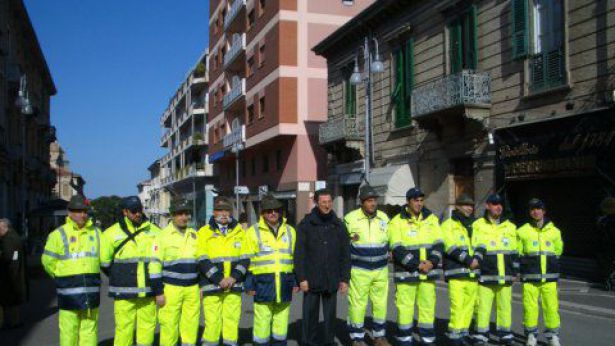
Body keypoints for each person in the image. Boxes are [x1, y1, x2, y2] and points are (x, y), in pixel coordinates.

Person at [100, 196, 161, 346]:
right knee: (124, 329)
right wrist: (120, 276)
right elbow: (104, 262)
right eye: (134, 211)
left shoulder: (155, 231)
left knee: (147, 328)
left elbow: (161, 258)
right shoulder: (110, 233)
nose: (138, 214)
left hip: (148, 290)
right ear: (125, 212)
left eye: (139, 210)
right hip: (123, 291)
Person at [41, 195, 102, 346]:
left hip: (90, 293)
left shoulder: (96, 233)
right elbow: (47, 261)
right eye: (78, 211)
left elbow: (105, 258)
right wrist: (60, 278)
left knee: (89, 332)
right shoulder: (58, 235)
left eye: (84, 211)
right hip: (69, 294)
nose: (82, 214)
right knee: (69, 333)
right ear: (69, 213)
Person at [294, 189, 351, 346]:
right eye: (323, 202)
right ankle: (308, 342)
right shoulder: (306, 224)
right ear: (316, 203)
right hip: (311, 279)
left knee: (330, 318)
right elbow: (299, 254)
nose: (327, 205)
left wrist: (345, 279)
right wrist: (301, 278)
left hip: (331, 278)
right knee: (310, 316)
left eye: (329, 202)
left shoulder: (338, 224)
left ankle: (328, 342)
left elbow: (345, 254)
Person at [388, 187, 443, 345]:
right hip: (406, 274)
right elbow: (397, 249)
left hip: (428, 273)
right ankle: (405, 341)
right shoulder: (397, 221)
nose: (419, 203)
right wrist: (418, 265)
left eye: (421, 200)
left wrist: (432, 262)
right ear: (408, 202)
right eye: (415, 200)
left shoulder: (431, 219)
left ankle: (428, 341)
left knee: (427, 309)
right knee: (405, 310)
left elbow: (439, 244)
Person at [245, 195, 298, 345]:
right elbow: (247, 259)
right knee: (262, 320)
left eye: (276, 210)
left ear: (280, 212)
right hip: (262, 283)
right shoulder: (253, 232)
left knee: (281, 320)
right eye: (269, 211)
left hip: (285, 282)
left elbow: (294, 258)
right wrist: (248, 283)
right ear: (262, 213)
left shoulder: (290, 231)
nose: (272, 213)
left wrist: (296, 280)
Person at [197, 197, 250, 346]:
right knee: (212, 322)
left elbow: (245, 258)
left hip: (234, 285)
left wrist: (233, 277)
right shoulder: (204, 232)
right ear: (214, 212)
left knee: (231, 321)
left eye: (227, 210)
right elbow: (202, 259)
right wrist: (219, 279)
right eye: (220, 210)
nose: (224, 214)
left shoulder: (240, 232)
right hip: (212, 285)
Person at [344, 185, 391, 346]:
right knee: (358, 305)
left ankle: (379, 337)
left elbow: (390, 242)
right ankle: (357, 338)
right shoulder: (350, 219)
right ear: (362, 202)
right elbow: (343, 247)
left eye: (374, 200)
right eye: (369, 201)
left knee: (380, 304)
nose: (373, 204)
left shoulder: (384, 218)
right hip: (359, 271)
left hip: (381, 270)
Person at [151, 199, 200, 346]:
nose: (183, 217)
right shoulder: (162, 236)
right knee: (169, 325)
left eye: (186, 214)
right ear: (172, 216)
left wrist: (201, 287)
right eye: (179, 214)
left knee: (191, 325)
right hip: (170, 289)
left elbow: (200, 262)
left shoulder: (194, 235)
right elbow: (154, 266)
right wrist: (158, 292)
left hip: (192, 289)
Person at [472, 194, 519, 346]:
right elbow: (474, 248)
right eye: (494, 204)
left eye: (500, 204)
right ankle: (481, 335)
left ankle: (505, 335)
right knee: (483, 308)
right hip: (485, 275)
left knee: (505, 308)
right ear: (487, 206)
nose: (498, 206)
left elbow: (514, 252)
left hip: (505, 275)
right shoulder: (478, 225)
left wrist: (515, 271)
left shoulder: (510, 226)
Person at [517, 199, 563, 346]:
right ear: (530, 212)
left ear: (544, 211)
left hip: (549, 278)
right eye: (532, 209)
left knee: (551, 308)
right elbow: (518, 252)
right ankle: (531, 335)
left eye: (538, 208)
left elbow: (558, 251)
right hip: (530, 277)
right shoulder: (522, 231)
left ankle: (552, 336)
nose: (535, 211)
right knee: (530, 308)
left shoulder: (554, 231)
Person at [441, 194, 479, 345]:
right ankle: (454, 339)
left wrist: (478, 260)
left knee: (469, 308)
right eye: (465, 205)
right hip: (456, 273)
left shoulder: (475, 225)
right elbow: (450, 247)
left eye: (471, 205)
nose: (469, 208)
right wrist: (470, 260)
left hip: (472, 274)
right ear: (457, 206)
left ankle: (463, 336)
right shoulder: (448, 225)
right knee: (457, 308)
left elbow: (480, 245)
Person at [0, 218, 27, 329]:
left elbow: (8, 258)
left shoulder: (10, 240)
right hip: (13, 274)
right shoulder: (11, 237)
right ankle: (13, 321)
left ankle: (12, 322)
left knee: (10, 299)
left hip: (10, 275)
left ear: (4, 228)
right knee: (12, 300)